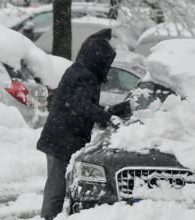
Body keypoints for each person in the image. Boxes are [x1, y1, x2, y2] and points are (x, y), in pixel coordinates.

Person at [37, 28, 116, 220]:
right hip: (64, 139)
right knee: (57, 188)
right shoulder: (86, 76)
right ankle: (49, 217)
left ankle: (50, 216)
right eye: (106, 62)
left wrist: (105, 111)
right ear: (100, 60)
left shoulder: (78, 69)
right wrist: (108, 118)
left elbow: (79, 103)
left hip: (57, 135)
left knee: (55, 185)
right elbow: (83, 106)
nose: (107, 67)